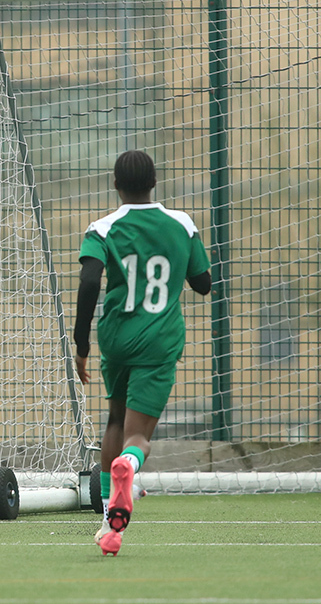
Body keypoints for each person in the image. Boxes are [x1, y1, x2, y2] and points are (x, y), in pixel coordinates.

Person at [73, 150, 212, 556]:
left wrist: (80, 346)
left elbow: (87, 282)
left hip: (115, 338)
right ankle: (129, 468)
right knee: (138, 438)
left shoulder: (102, 228)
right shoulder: (181, 224)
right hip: (159, 340)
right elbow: (203, 283)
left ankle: (106, 525)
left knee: (114, 420)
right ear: (155, 183)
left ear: (115, 184)